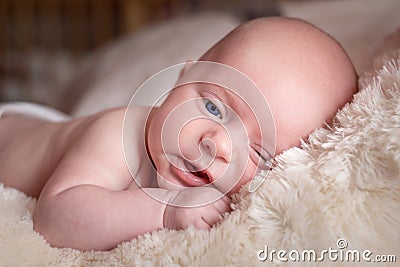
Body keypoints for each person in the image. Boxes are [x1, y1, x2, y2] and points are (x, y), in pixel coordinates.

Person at [0, 17, 357, 251]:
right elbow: (53, 219)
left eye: (259, 154)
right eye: (214, 108)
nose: (215, 144)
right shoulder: (120, 135)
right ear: (180, 79)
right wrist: (164, 211)